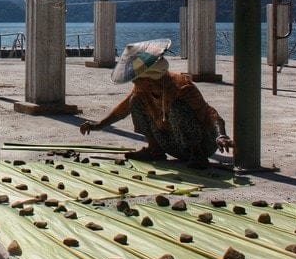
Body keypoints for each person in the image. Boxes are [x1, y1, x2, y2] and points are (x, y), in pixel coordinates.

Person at [78, 39, 233, 168]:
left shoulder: (181, 86)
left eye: (138, 79)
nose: (135, 83)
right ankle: (155, 149)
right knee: (134, 102)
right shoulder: (142, 90)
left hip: (202, 142)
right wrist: (98, 125)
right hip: (172, 142)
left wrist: (221, 135)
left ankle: (197, 154)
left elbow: (210, 113)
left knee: (178, 107)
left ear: (150, 79)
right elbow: (122, 110)